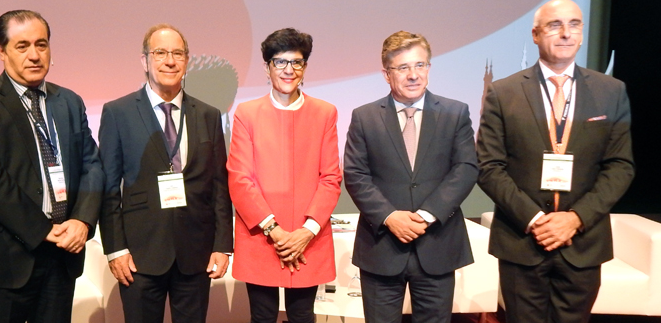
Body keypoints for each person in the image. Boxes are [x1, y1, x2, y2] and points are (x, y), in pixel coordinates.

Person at [477, 0, 634, 323]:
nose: (565, 33)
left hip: (584, 242)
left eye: (574, 24)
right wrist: (535, 220)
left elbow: (620, 166)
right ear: (535, 34)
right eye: (554, 25)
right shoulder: (503, 93)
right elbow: (489, 167)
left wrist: (575, 218)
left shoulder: (611, 91)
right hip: (522, 242)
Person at [0, 10, 104, 323]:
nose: (35, 55)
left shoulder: (69, 101)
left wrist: (82, 221)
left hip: (63, 254)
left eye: (42, 44)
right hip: (7, 261)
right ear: (2, 51)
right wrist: (43, 230)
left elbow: (92, 165)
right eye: (22, 46)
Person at [98, 23, 233, 323]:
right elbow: (108, 188)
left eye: (177, 53)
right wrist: (115, 249)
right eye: (160, 52)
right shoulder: (118, 113)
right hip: (139, 255)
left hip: (196, 254)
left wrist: (223, 245)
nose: (169, 61)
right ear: (144, 60)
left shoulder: (209, 115)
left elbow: (219, 187)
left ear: (186, 61)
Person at [343, 31, 477, 323]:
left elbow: (465, 168)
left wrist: (427, 215)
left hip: (437, 245)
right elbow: (355, 174)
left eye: (420, 65)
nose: (413, 75)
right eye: (403, 68)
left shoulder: (455, 113)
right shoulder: (364, 117)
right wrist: (390, 217)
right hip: (382, 248)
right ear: (386, 74)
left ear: (429, 68)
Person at [227, 28, 341, 323]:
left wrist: (306, 232)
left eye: (297, 62)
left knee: (303, 316)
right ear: (267, 67)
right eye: (280, 62)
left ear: (305, 68)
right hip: (263, 236)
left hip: (308, 238)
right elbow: (240, 179)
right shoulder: (247, 113)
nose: (289, 70)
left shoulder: (325, 113)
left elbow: (330, 178)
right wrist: (275, 231)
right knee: (262, 316)